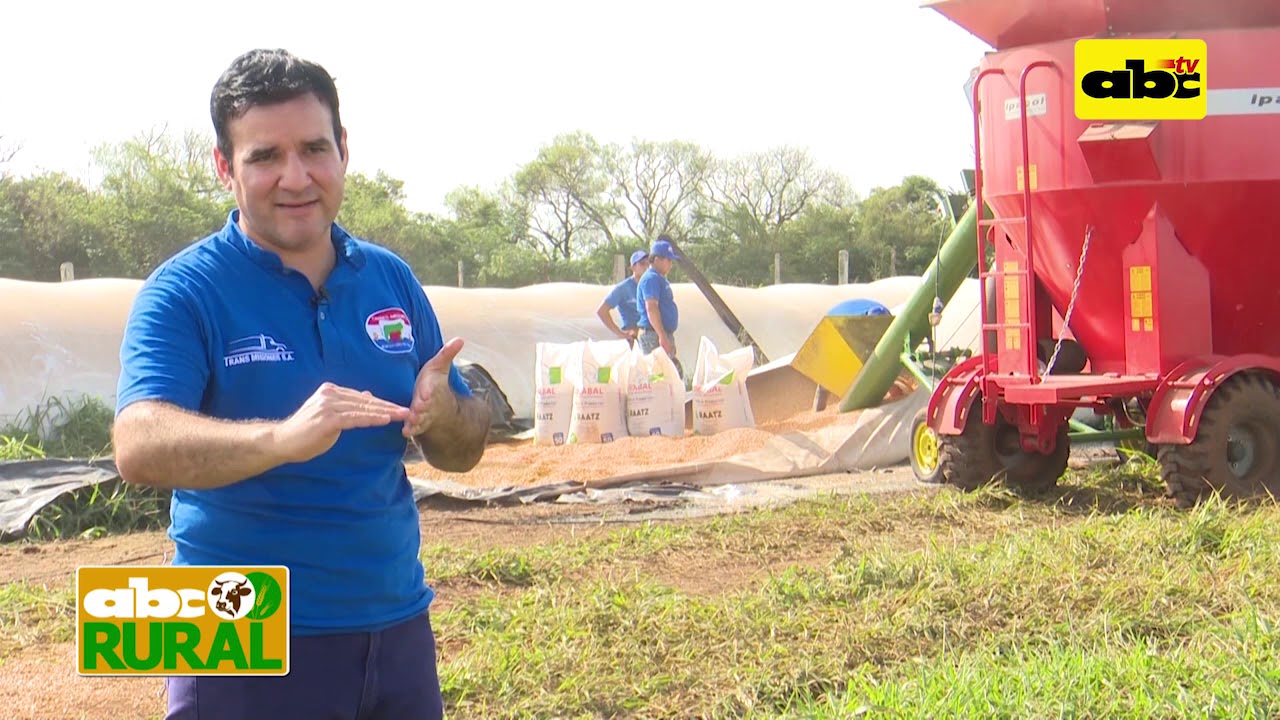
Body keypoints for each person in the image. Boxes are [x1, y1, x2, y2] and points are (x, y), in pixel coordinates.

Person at [110, 48, 490, 720]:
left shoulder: (391, 279)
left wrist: (446, 415)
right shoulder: (183, 289)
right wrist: (282, 439)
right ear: (224, 167)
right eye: (265, 156)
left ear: (343, 149)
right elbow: (137, 444)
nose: (296, 177)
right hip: (232, 624)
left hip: (394, 618)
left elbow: (462, 453)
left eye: (314, 148)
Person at [636, 235, 683, 378]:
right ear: (657, 259)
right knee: (657, 377)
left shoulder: (660, 279)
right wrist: (662, 335)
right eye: (668, 260)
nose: (671, 264)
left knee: (666, 377)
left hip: (660, 334)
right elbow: (651, 307)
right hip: (653, 335)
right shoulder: (651, 279)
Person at [596, 249, 649, 344]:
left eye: (648, 264)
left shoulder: (651, 286)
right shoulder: (623, 288)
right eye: (642, 264)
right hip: (633, 336)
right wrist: (620, 333)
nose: (646, 267)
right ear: (633, 267)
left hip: (650, 335)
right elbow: (602, 311)